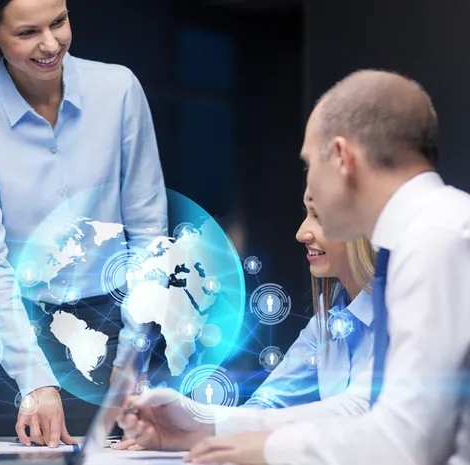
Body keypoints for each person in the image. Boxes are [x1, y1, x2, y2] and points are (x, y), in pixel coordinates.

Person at [176, 70, 470, 464]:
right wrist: (204, 425)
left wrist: (267, 451)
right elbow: (361, 403)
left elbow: (408, 443)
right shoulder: (430, 233)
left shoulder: (436, 239)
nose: (309, 187)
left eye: (309, 163)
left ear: (343, 157)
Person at [0, 0, 167, 446]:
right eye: (28, 33)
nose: (51, 44)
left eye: (59, 22)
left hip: (119, 323)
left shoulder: (119, 90)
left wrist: (131, 357)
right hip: (13, 330)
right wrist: (35, 380)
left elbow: (148, 233)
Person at [115, 189, 377, 451]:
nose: (301, 233)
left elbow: (357, 412)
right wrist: (191, 427)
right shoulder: (329, 321)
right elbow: (269, 403)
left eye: (319, 217)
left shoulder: (400, 314)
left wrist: (200, 427)